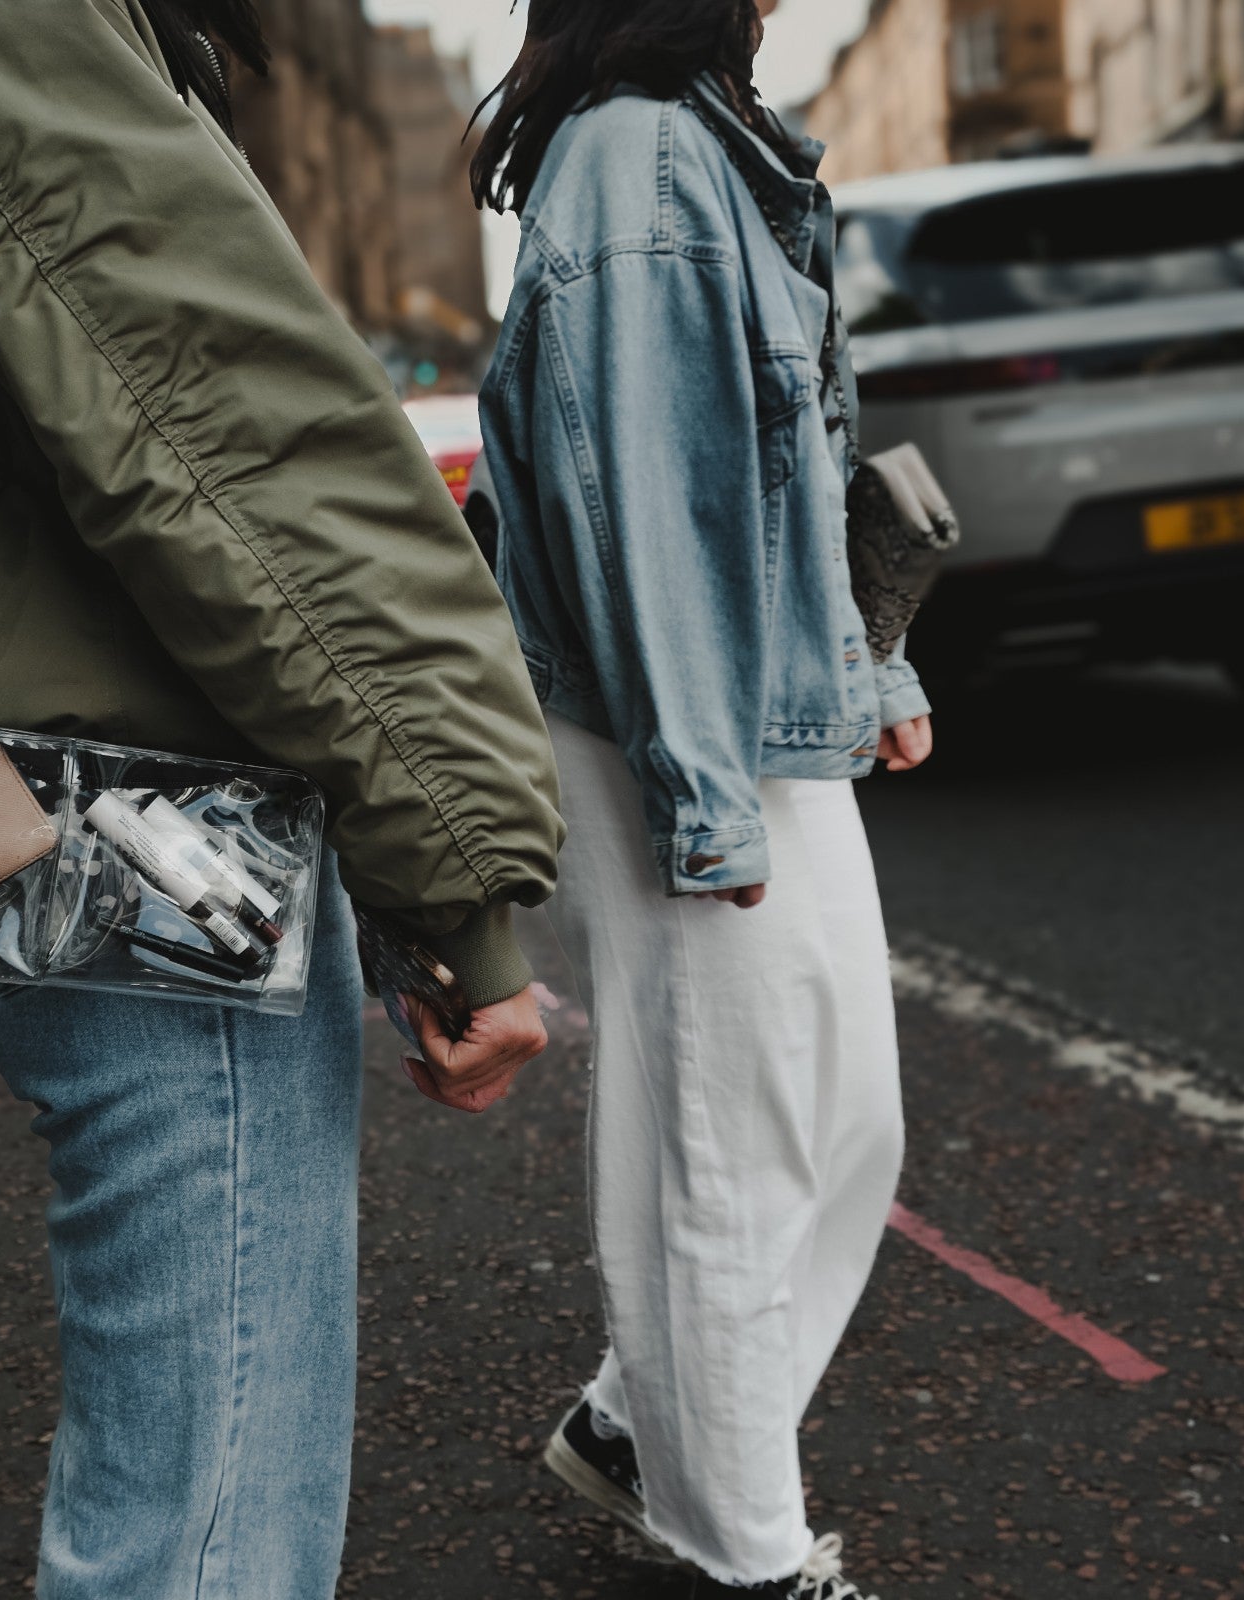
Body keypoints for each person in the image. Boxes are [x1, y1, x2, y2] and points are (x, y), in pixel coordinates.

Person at [0, 0, 565, 1594]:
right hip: (157, 862)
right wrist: (457, 884)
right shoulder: (33, 17)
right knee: (206, 1536)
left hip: (108, 825)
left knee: (181, 1507)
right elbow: (250, 468)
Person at [472, 1, 936, 1596]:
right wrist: (701, 792)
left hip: (756, 704)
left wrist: (875, 673)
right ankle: (746, 1554)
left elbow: (788, 460)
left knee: (847, 1119)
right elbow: (642, 511)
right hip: (679, 721)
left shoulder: (718, 145)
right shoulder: (639, 163)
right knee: (727, 1145)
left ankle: (632, 1427)